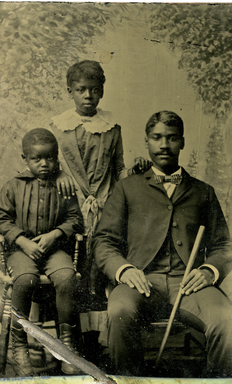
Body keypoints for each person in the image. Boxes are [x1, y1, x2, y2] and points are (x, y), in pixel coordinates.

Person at [93, 110, 232, 378]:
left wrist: (208, 271)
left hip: (189, 286)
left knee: (227, 321)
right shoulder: (127, 188)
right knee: (119, 311)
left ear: (182, 142)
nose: (164, 145)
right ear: (147, 141)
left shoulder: (203, 191)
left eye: (171, 138)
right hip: (140, 281)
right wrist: (124, 270)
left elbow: (224, 247)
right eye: (157, 138)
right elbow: (103, 242)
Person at [0, 129, 84, 376]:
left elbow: (76, 219)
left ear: (57, 157)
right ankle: (19, 346)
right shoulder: (14, 186)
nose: (45, 164)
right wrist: (22, 241)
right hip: (22, 252)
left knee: (66, 278)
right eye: (37, 159)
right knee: (25, 280)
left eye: (51, 158)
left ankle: (66, 345)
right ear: (25, 158)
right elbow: (0, 218)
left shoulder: (62, 186)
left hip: (54, 251)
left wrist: (55, 234)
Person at [50, 60, 151, 268]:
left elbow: (118, 172)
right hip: (67, 204)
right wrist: (58, 174)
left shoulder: (111, 128)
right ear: (71, 92)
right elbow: (44, 163)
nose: (88, 95)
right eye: (81, 90)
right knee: (68, 261)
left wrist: (135, 169)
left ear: (102, 92)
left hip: (103, 206)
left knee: (98, 259)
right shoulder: (59, 127)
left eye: (95, 90)